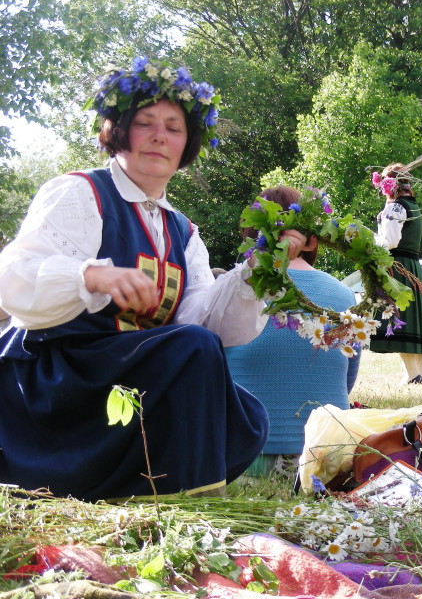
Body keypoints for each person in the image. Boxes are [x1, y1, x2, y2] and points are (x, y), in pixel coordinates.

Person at [0, 57, 270, 501]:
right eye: (146, 123)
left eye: (174, 127)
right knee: (194, 351)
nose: (160, 136)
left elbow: (204, 324)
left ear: (187, 144)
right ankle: (191, 502)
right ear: (119, 131)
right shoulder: (80, 193)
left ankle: (158, 490)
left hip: (124, 380)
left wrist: (260, 270)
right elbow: (14, 280)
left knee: (240, 406)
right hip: (60, 377)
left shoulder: (183, 230)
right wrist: (90, 274)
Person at [225, 186, 361, 476]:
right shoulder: (345, 296)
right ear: (312, 238)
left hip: (248, 457)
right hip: (331, 460)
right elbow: (346, 380)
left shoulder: (230, 290)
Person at [370, 163, 422, 384]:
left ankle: (413, 375)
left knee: (402, 318)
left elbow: (389, 242)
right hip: (412, 267)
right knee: (412, 319)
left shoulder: (396, 208)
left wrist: (368, 241)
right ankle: (421, 371)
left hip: (397, 266)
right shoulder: (413, 205)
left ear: (390, 185)